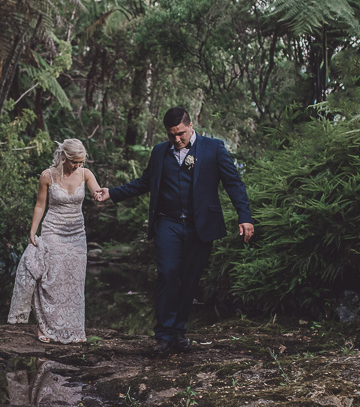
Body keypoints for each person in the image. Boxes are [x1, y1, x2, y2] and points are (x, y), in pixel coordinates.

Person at [94, 107, 254, 354]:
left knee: (189, 280)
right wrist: (113, 192)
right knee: (168, 274)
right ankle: (164, 335)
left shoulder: (214, 148)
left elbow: (233, 183)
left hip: (200, 226)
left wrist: (245, 217)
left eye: (180, 134)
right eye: (171, 135)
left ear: (191, 126)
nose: (177, 139)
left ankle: (179, 332)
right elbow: (145, 182)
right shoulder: (159, 152)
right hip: (167, 223)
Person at [8, 139, 104, 344]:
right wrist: (33, 231)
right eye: (75, 162)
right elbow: (40, 205)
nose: (78, 165)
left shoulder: (86, 174)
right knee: (51, 280)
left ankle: (74, 329)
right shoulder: (47, 176)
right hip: (53, 230)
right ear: (64, 157)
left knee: (74, 281)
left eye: (81, 161)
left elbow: (96, 189)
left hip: (77, 233)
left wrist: (98, 194)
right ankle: (43, 326)